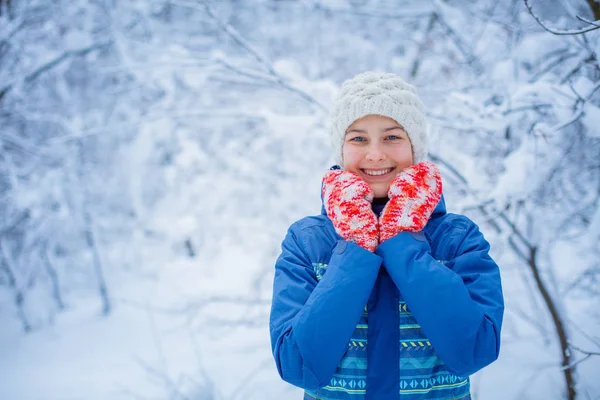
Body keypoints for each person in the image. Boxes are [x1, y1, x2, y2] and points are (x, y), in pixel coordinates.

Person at [269, 71, 504, 399]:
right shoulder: (307, 241)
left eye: (392, 137)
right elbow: (298, 365)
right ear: (341, 147)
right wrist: (355, 247)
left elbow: (475, 351)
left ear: (414, 146)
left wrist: (401, 241)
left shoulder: (458, 238)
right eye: (358, 138)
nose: (376, 154)